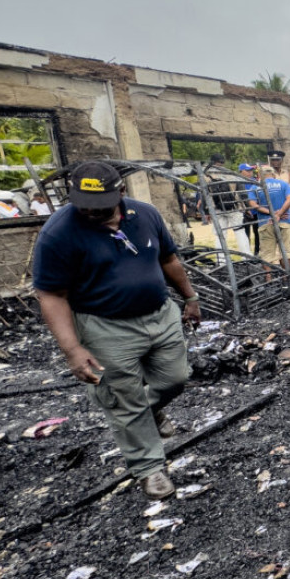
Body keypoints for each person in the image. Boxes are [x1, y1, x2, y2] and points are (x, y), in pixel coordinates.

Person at [32, 161, 200, 500]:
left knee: (175, 378)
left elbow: (168, 259)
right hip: (104, 325)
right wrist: (72, 349)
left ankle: (149, 409)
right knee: (123, 397)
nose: (91, 213)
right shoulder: (59, 232)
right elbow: (51, 294)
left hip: (159, 315)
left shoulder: (145, 214)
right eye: (84, 204)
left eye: (100, 205)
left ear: (121, 192)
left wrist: (190, 297)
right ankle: (150, 468)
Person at [202, 154, 252, 255]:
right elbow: (242, 193)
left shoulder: (205, 175)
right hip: (234, 207)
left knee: (220, 235)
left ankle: (221, 260)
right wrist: (247, 208)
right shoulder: (230, 174)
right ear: (223, 162)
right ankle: (246, 256)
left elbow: (204, 195)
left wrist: (206, 211)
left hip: (216, 208)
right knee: (239, 231)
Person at [248, 166, 290, 269]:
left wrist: (272, 213)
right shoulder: (283, 184)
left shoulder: (255, 187)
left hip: (265, 223)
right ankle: (286, 278)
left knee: (267, 252)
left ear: (260, 176)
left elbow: (253, 205)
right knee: (287, 251)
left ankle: (268, 279)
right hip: (284, 221)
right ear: (274, 175)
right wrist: (279, 214)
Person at [238, 163, 261, 254]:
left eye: (251, 170)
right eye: (247, 171)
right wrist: (246, 209)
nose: (250, 172)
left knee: (258, 233)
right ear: (241, 172)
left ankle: (257, 252)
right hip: (244, 212)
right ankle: (247, 253)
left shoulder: (255, 181)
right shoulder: (237, 182)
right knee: (245, 234)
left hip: (256, 211)